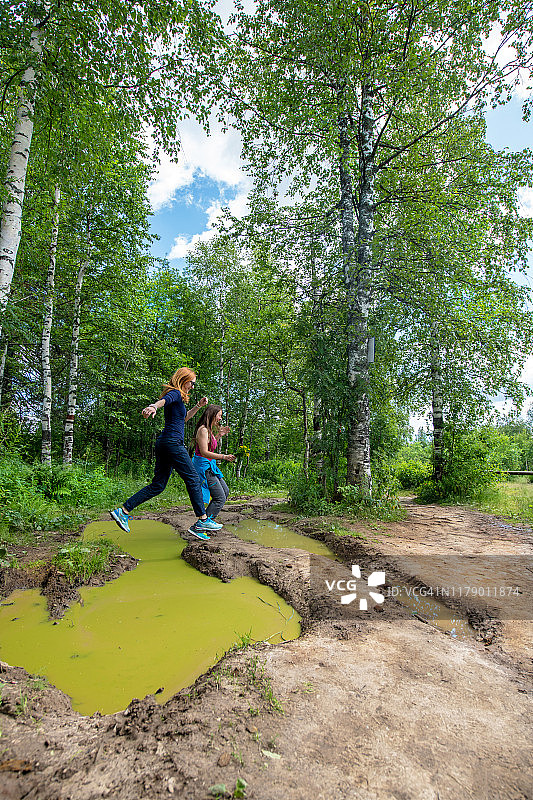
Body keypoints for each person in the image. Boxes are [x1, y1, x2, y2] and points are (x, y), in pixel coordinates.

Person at [110, 367, 222, 540]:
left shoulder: (179, 400)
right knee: (193, 478)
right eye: (192, 383)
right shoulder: (175, 393)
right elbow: (163, 400)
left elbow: (183, 419)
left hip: (164, 443)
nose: (192, 386)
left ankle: (123, 511)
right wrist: (153, 406)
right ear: (184, 380)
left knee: (158, 485)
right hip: (172, 444)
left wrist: (198, 406)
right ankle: (202, 520)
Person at [191, 404, 235, 522]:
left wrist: (219, 435)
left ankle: (206, 520)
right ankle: (203, 523)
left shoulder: (208, 430)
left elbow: (209, 447)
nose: (220, 418)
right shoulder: (203, 430)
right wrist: (224, 457)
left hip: (210, 465)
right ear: (212, 415)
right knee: (219, 498)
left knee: (225, 491)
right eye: (219, 415)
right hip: (204, 467)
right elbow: (204, 452)